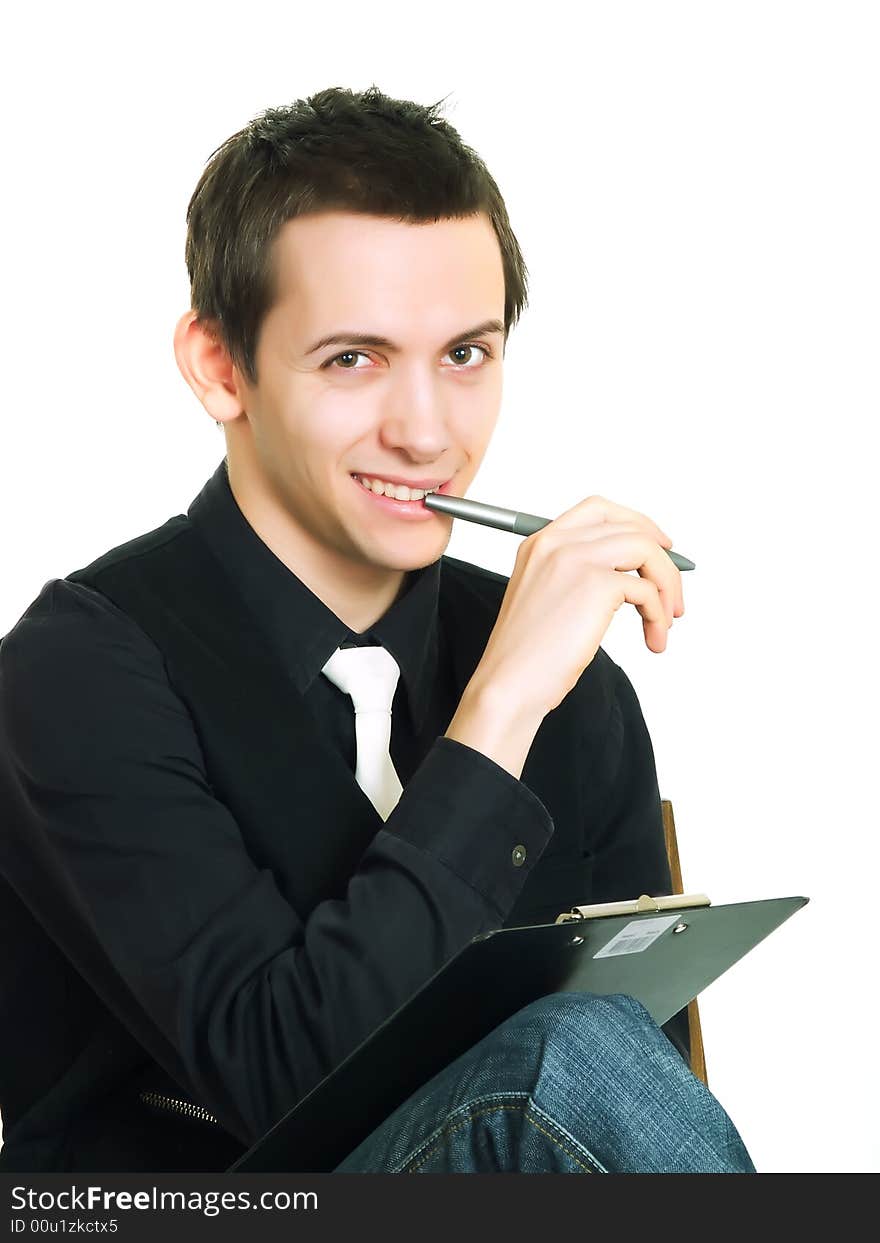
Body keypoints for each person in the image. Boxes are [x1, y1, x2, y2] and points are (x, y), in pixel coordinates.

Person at [0, 85, 753, 1174]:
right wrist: (496, 715)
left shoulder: (571, 687)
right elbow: (286, 1087)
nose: (426, 432)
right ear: (220, 367)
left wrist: (536, 690)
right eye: (353, 359)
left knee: (599, 1048)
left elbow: (648, 1097)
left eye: (465, 355)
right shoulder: (78, 671)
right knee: (570, 1050)